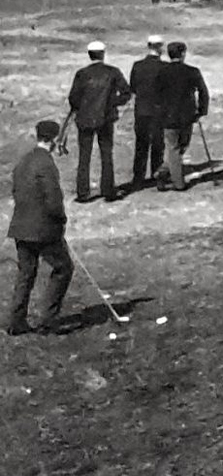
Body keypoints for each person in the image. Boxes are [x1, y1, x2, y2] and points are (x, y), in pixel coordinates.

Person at [9, 120, 73, 336]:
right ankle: (48, 319)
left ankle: (16, 320)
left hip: (20, 226)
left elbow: (17, 190)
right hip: (43, 229)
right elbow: (53, 199)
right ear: (55, 139)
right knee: (63, 268)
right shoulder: (46, 164)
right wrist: (61, 219)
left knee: (26, 272)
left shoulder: (24, 161)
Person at [67, 41, 132, 203]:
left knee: (84, 156)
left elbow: (73, 98)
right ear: (103, 54)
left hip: (85, 119)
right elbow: (126, 93)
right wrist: (112, 103)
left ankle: (83, 193)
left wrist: (82, 108)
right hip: (105, 118)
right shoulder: (113, 72)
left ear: (89, 55)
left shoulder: (82, 73)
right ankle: (108, 191)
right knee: (106, 154)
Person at [156, 40, 209, 192]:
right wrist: (201, 111)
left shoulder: (162, 71)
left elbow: (156, 94)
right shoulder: (192, 71)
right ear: (183, 54)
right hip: (187, 116)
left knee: (174, 148)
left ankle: (164, 171)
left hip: (167, 116)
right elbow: (203, 92)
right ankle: (178, 183)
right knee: (180, 146)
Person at [129, 36, 166, 190]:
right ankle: (156, 175)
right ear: (160, 47)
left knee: (141, 145)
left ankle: (138, 177)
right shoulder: (164, 67)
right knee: (158, 144)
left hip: (142, 109)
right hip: (159, 110)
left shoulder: (137, 66)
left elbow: (133, 87)